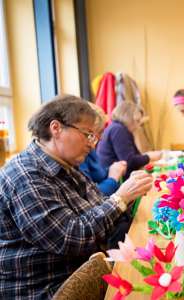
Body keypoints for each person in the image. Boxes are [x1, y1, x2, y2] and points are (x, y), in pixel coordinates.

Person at [0, 95, 153, 299]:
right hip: (46, 288)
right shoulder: (25, 175)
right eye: (88, 134)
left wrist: (129, 192)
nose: (92, 144)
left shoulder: (66, 165)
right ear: (56, 128)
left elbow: (98, 203)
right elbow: (70, 238)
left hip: (76, 273)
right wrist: (120, 198)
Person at [96, 101, 162, 179]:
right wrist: (149, 157)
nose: (138, 126)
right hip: (114, 179)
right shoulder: (118, 129)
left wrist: (146, 157)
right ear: (128, 118)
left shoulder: (117, 128)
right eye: (137, 121)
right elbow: (129, 161)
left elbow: (134, 156)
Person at [79, 102, 127, 196]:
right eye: (100, 132)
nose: (101, 138)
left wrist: (113, 168)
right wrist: (113, 178)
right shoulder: (79, 155)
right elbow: (91, 197)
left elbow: (100, 174)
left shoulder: (91, 150)